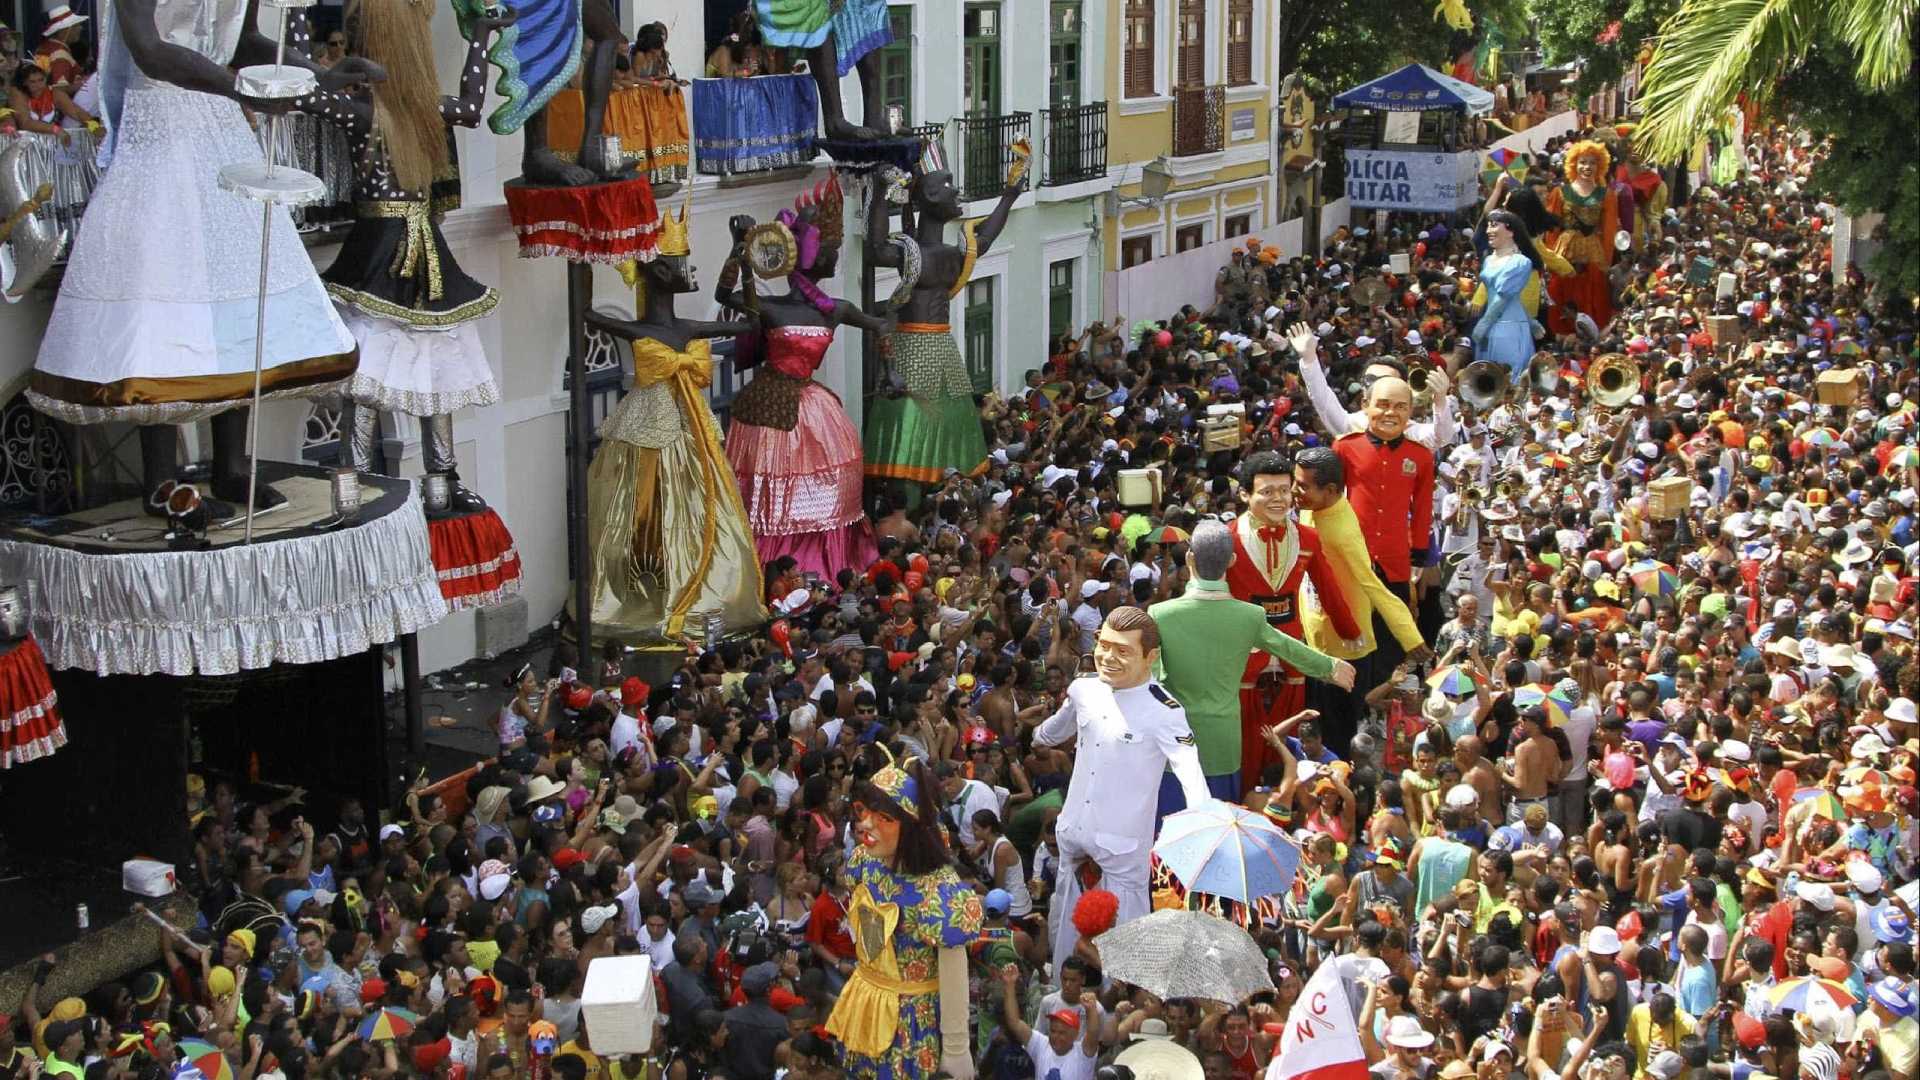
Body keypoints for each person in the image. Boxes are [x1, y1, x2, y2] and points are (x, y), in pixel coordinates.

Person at [27, 0, 370, 511]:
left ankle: (232, 465)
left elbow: (246, 40)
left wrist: (315, 76)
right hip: (160, 125)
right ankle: (162, 481)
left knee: (235, 287)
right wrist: (238, 87)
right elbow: (148, 49)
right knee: (165, 291)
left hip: (221, 128)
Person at [302, 0, 513, 509]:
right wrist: (480, 37)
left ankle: (354, 484)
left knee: (373, 369)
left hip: (380, 247)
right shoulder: (418, 110)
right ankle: (437, 480)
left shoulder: (365, 112)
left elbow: (304, 95)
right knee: (420, 359)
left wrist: (297, 21)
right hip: (415, 249)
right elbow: (470, 105)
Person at [577, 206, 769, 643]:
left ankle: (688, 578)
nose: (690, 268)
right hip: (649, 422)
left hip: (687, 425)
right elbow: (585, 312)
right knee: (638, 502)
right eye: (682, 261)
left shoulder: (689, 327)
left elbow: (754, 322)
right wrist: (585, 242)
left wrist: (741, 255)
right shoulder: (641, 328)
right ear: (660, 272)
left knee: (695, 501)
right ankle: (641, 578)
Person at [718, 177, 886, 582]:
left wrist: (892, 353)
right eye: (830, 248)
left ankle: (822, 564)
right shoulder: (772, 308)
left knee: (828, 491)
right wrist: (739, 248)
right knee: (767, 498)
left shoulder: (836, 309)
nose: (835, 256)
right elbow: (727, 296)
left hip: (813, 410)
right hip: (770, 410)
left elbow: (880, 324)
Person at [1033, 606, 1214, 977]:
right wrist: (1039, 738)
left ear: (1151, 657)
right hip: (1072, 844)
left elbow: (1189, 771)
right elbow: (1054, 729)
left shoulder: (1165, 711)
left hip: (1121, 858)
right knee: (1064, 953)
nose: (1109, 658)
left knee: (1121, 963)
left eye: (1124, 651)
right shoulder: (1084, 690)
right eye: (1105, 645)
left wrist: (1203, 821)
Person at [1150, 518, 1356, 806]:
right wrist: (1331, 667)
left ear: (1189, 558)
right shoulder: (1250, 617)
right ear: (1232, 561)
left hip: (1174, 742)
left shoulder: (1160, 614)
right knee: (1220, 825)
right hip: (1224, 743)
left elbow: (1151, 679)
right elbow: (1289, 648)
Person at [822, 761, 981, 1078]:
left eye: (884, 819)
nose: (865, 824)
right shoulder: (865, 863)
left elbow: (954, 977)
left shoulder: (940, 895)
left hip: (911, 1023)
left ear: (911, 829)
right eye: (864, 811)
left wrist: (956, 1051)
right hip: (866, 999)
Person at [1223, 448, 1364, 792]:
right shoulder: (1227, 538)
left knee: (1289, 731)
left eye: (1284, 491)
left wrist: (1349, 630)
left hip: (1291, 647)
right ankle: (1246, 794)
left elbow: (1327, 587)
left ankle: (1284, 795)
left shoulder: (1308, 537)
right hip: (1243, 650)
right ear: (1245, 494)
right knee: (1246, 730)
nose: (1278, 499)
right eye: (1267, 491)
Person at [1295, 447, 1429, 754]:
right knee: (1312, 727)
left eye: (1303, 485)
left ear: (1329, 490)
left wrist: (1409, 636)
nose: (1294, 491)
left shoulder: (1342, 531)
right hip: (1313, 642)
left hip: (1346, 650)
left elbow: (1373, 586)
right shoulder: (1307, 511)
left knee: (1338, 736)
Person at [1472, 208, 1549, 386]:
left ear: (1510, 231)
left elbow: (1503, 298)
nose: (1488, 231)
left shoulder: (1520, 262)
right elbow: (1510, 300)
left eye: (1494, 225)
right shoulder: (1489, 260)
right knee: (1485, 381)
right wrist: (1532, 322)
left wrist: (1483, 324)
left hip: (1509, 330)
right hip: (1491, 326)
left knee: (1508, 378)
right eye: (1488, 226)